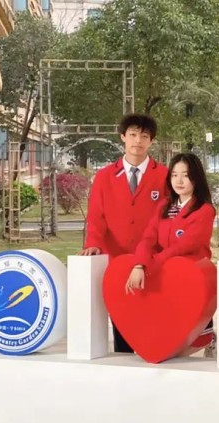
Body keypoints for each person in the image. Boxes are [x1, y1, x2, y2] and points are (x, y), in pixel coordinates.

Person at [78, 113, 168, 353]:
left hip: (152, 260)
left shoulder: (164, 176)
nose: (138, 141)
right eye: (133, 134)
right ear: (122, 137)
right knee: (122, 317)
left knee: (152, 318)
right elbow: (96, 216)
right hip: (116, 259)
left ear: (151, 141)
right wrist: (93, 243)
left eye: (144, 136)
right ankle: (124, 361)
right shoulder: (105, 176)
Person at [126, 152, 217, 353]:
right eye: (174, 175)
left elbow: (184, 246)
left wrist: (151, 264)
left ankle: (207, 341)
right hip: (164, 274)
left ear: (196, 178)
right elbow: (148, 238)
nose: (179, 181)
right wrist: (139, 264)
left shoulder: (205, 210)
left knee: (190, 340)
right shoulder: (163, 206)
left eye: (185, 175)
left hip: (190, 276)